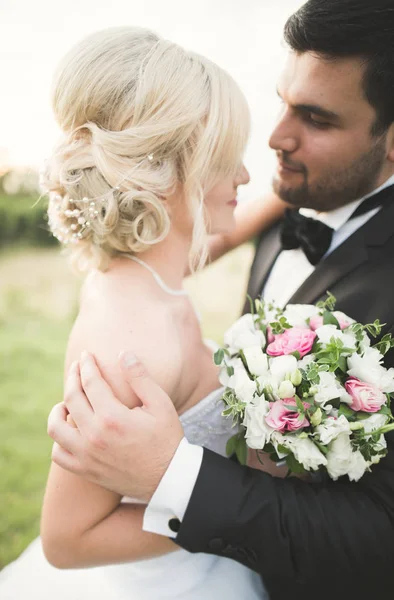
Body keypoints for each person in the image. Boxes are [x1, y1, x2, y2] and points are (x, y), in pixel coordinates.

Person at [46, 1, 394, 600]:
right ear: (169, 172)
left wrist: (179, 479)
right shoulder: (135, 333)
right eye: (282, 101)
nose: (274, 144)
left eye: (315, 117)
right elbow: (66, 537)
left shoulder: (161, 266)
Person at [0, 26, 289, 600]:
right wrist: (236, 498)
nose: (245, 175)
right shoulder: (136, 348)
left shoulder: (143, 274)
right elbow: (66, 539)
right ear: (169, 173)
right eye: (228, 157)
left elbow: (207, 245)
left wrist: (286, 199)